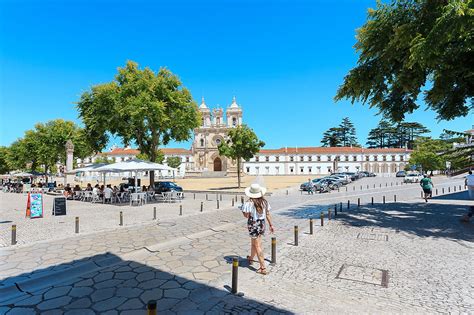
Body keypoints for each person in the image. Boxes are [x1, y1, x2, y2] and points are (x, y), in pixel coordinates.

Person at [241, 183, 275, 275]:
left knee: (258, 246)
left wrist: (243, 211)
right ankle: (251, 259)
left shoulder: (249, 203)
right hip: (262, 224)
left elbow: (246, 216)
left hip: (253, 224)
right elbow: (267, 214)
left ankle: (263, 267)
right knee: (254, 243)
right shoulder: (265, 202)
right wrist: (271, 225)